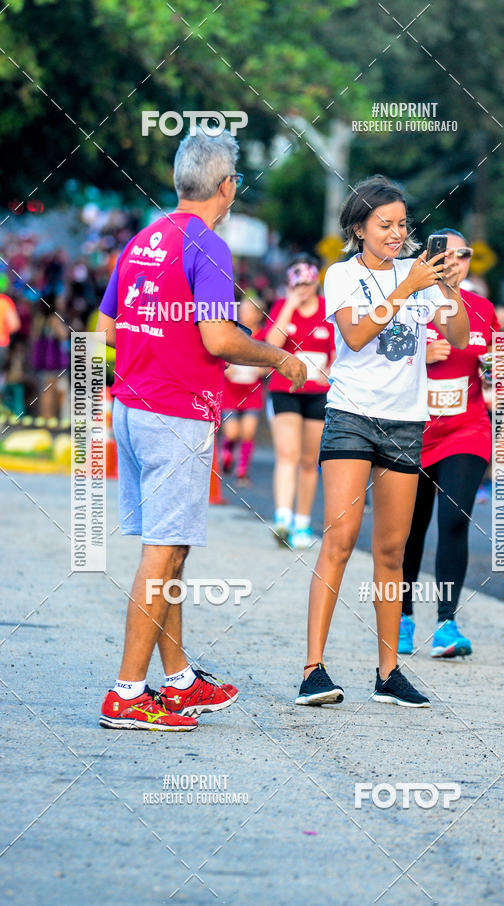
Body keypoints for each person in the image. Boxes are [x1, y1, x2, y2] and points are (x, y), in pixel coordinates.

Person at [97, 129, 306, 731]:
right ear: (228, 186)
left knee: (173, 547)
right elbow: (219, 339)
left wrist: (158, 347)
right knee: (162, 554)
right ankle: (127, 693)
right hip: (176, 414)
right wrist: (279, 357)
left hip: (134, 408)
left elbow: (108, 326)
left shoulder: (143, 240)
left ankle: (179, 680)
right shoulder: (209, 246)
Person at [295, 175, 469, 708]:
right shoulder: (341, 274)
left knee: (391, 552)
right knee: (341, 539)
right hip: (351, 415)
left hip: (406, 422)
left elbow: (460, 340)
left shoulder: (417, 275)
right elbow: (354, 335)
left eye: (402, 225)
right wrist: (406, 287)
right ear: (358, 228)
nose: (397, 234)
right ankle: (313, 670)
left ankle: (388, 672)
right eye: (385, 225)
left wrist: (449, 289)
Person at [400, 229, 499, 658]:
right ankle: (402, 617)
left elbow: (496, 370)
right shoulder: (408, 302)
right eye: (447, 254)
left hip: (466, 429)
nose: (455, 262)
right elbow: (372, 356)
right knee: (409, 529)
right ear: (430, 258)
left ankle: (446, 623)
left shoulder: (481, 308)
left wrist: (499, 369)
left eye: (465, 255)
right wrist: (417, 356)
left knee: (454, 520)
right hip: (411, 433)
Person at [265, 255, 336, 549]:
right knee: (287, 453)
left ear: (315, 282)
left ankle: (303, 523)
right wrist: (290, 306)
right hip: (285, 390)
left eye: (308, 283)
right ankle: (282, 519)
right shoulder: (284, 307)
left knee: (309, 461)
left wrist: (329, 373)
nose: (303, 289)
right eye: (298, 284)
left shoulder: (328, 311)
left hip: (317, 394)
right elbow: (269, 345)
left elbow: (339, 351)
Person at [220, 294, 268, 485]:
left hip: (252, 391)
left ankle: (242, 472)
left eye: (248, 310)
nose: (243, 313)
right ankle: (227, 454)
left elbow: (269, 363)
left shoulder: (264, 336)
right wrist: (227, 369)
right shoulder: (233, 331)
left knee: (248, 432)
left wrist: (261, 369)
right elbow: (221, 355)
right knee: (231, 433)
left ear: (258, 315)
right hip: (231, 390)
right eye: (242, 310)